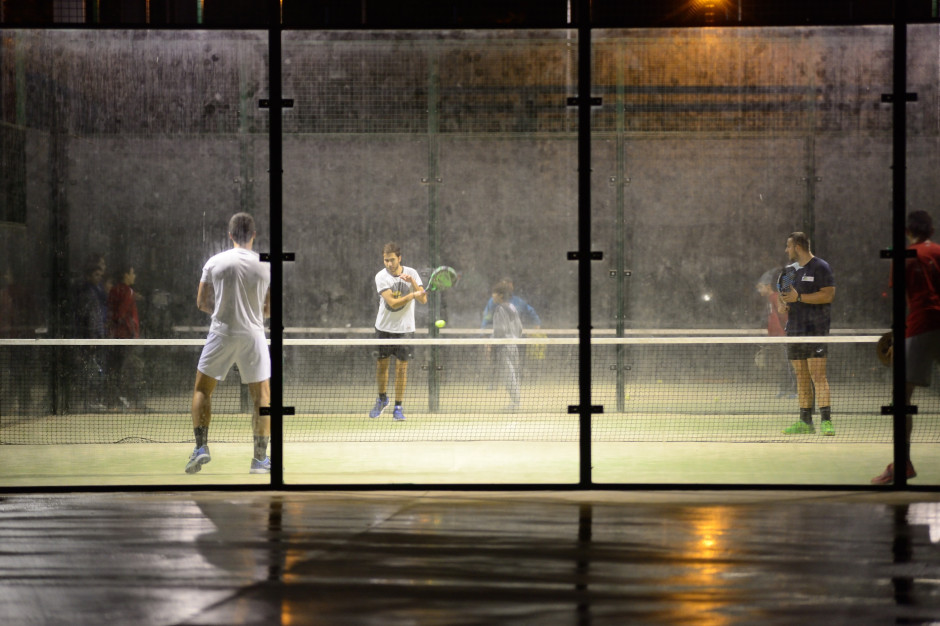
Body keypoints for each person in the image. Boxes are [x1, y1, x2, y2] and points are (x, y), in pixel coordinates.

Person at [186, 213, 272, 475]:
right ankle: (259, 460)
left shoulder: (214, 262)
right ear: (254, 235)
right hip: (254, 336)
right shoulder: (266, 265)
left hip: (221, 333)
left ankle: (201, 448)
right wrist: (252, 314)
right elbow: (269, 309)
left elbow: (201, 303)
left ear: (231, 235)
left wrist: (224, 312)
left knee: (202, 390)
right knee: (262, 398)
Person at [871, 210, 940, 484]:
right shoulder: (937, 251)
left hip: (921, 326)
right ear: (930, 230)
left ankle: (903, 464)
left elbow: (899, 301)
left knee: (901, 398)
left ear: (907, 231)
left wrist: (897, 337)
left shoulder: (904, 257)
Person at [778, 232, 836, 436]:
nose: (786, 250)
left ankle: (826, 421)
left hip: (816, 331)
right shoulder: (789, 271)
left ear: (798, 247)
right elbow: (784, 297)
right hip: (795, 331)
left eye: (788, 246)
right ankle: (805, 422)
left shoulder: (821, 267)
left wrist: (799, 297)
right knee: (801, 376)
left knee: (818, 375)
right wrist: (783, 305)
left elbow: (828, 295)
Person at [368, 242, 427, 421]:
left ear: (399, 258)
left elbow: (423, 299)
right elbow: (393, 303)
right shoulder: (381, 277)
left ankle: (398, 407)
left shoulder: (412, 273)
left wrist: (413, 283)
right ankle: (382, 398)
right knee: (381, 367)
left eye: (392, 260)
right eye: (386, 260)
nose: (389, 264)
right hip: (384, 328)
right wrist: (411, 295)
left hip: (405, 330)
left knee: (401, 370)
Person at [107, 264, 146, 410]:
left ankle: (115, 401)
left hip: (115, 337)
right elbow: (121, 314)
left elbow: (112, 313)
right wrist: (131, 333)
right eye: (132, 273)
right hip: (126, 338)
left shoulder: (113, 290)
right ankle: (134, 402)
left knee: (116, 369)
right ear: (125, 275)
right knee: (132, 369)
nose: (134, 276)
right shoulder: (128, 291)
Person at [74, 255, 108, 411]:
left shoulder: (98, 291)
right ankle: (88, 402)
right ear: (88, 276)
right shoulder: (87, 293)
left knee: (96, 370)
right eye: (96, 275)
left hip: (98, 338)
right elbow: (90, 317)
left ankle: (92, 401)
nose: (99, 278)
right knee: (90, 372)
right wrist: (92, 338)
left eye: (100, 275)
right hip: (90, 340)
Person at [755, 268, 795, 398]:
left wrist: (786, 333)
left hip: (782, 338)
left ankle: (794, 390)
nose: (759, 290)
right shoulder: (769, 299)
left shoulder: (777, 297)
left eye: (761, 287)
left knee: (789, 364)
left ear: (768, 286)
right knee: (781, 364)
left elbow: (784, 316)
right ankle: (783, 388)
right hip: (774, 338)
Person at [490, 280, 524, 411]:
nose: (492, 296)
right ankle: (515, 402)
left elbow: (500, 331)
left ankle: (516, 404)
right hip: (514, 346)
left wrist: (492, 342)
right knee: (513, 374)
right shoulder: (512, 307)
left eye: (494, 293)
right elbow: (520, 329)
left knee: (508, 375)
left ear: (500, 295)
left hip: (504, 346)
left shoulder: (499, 309)